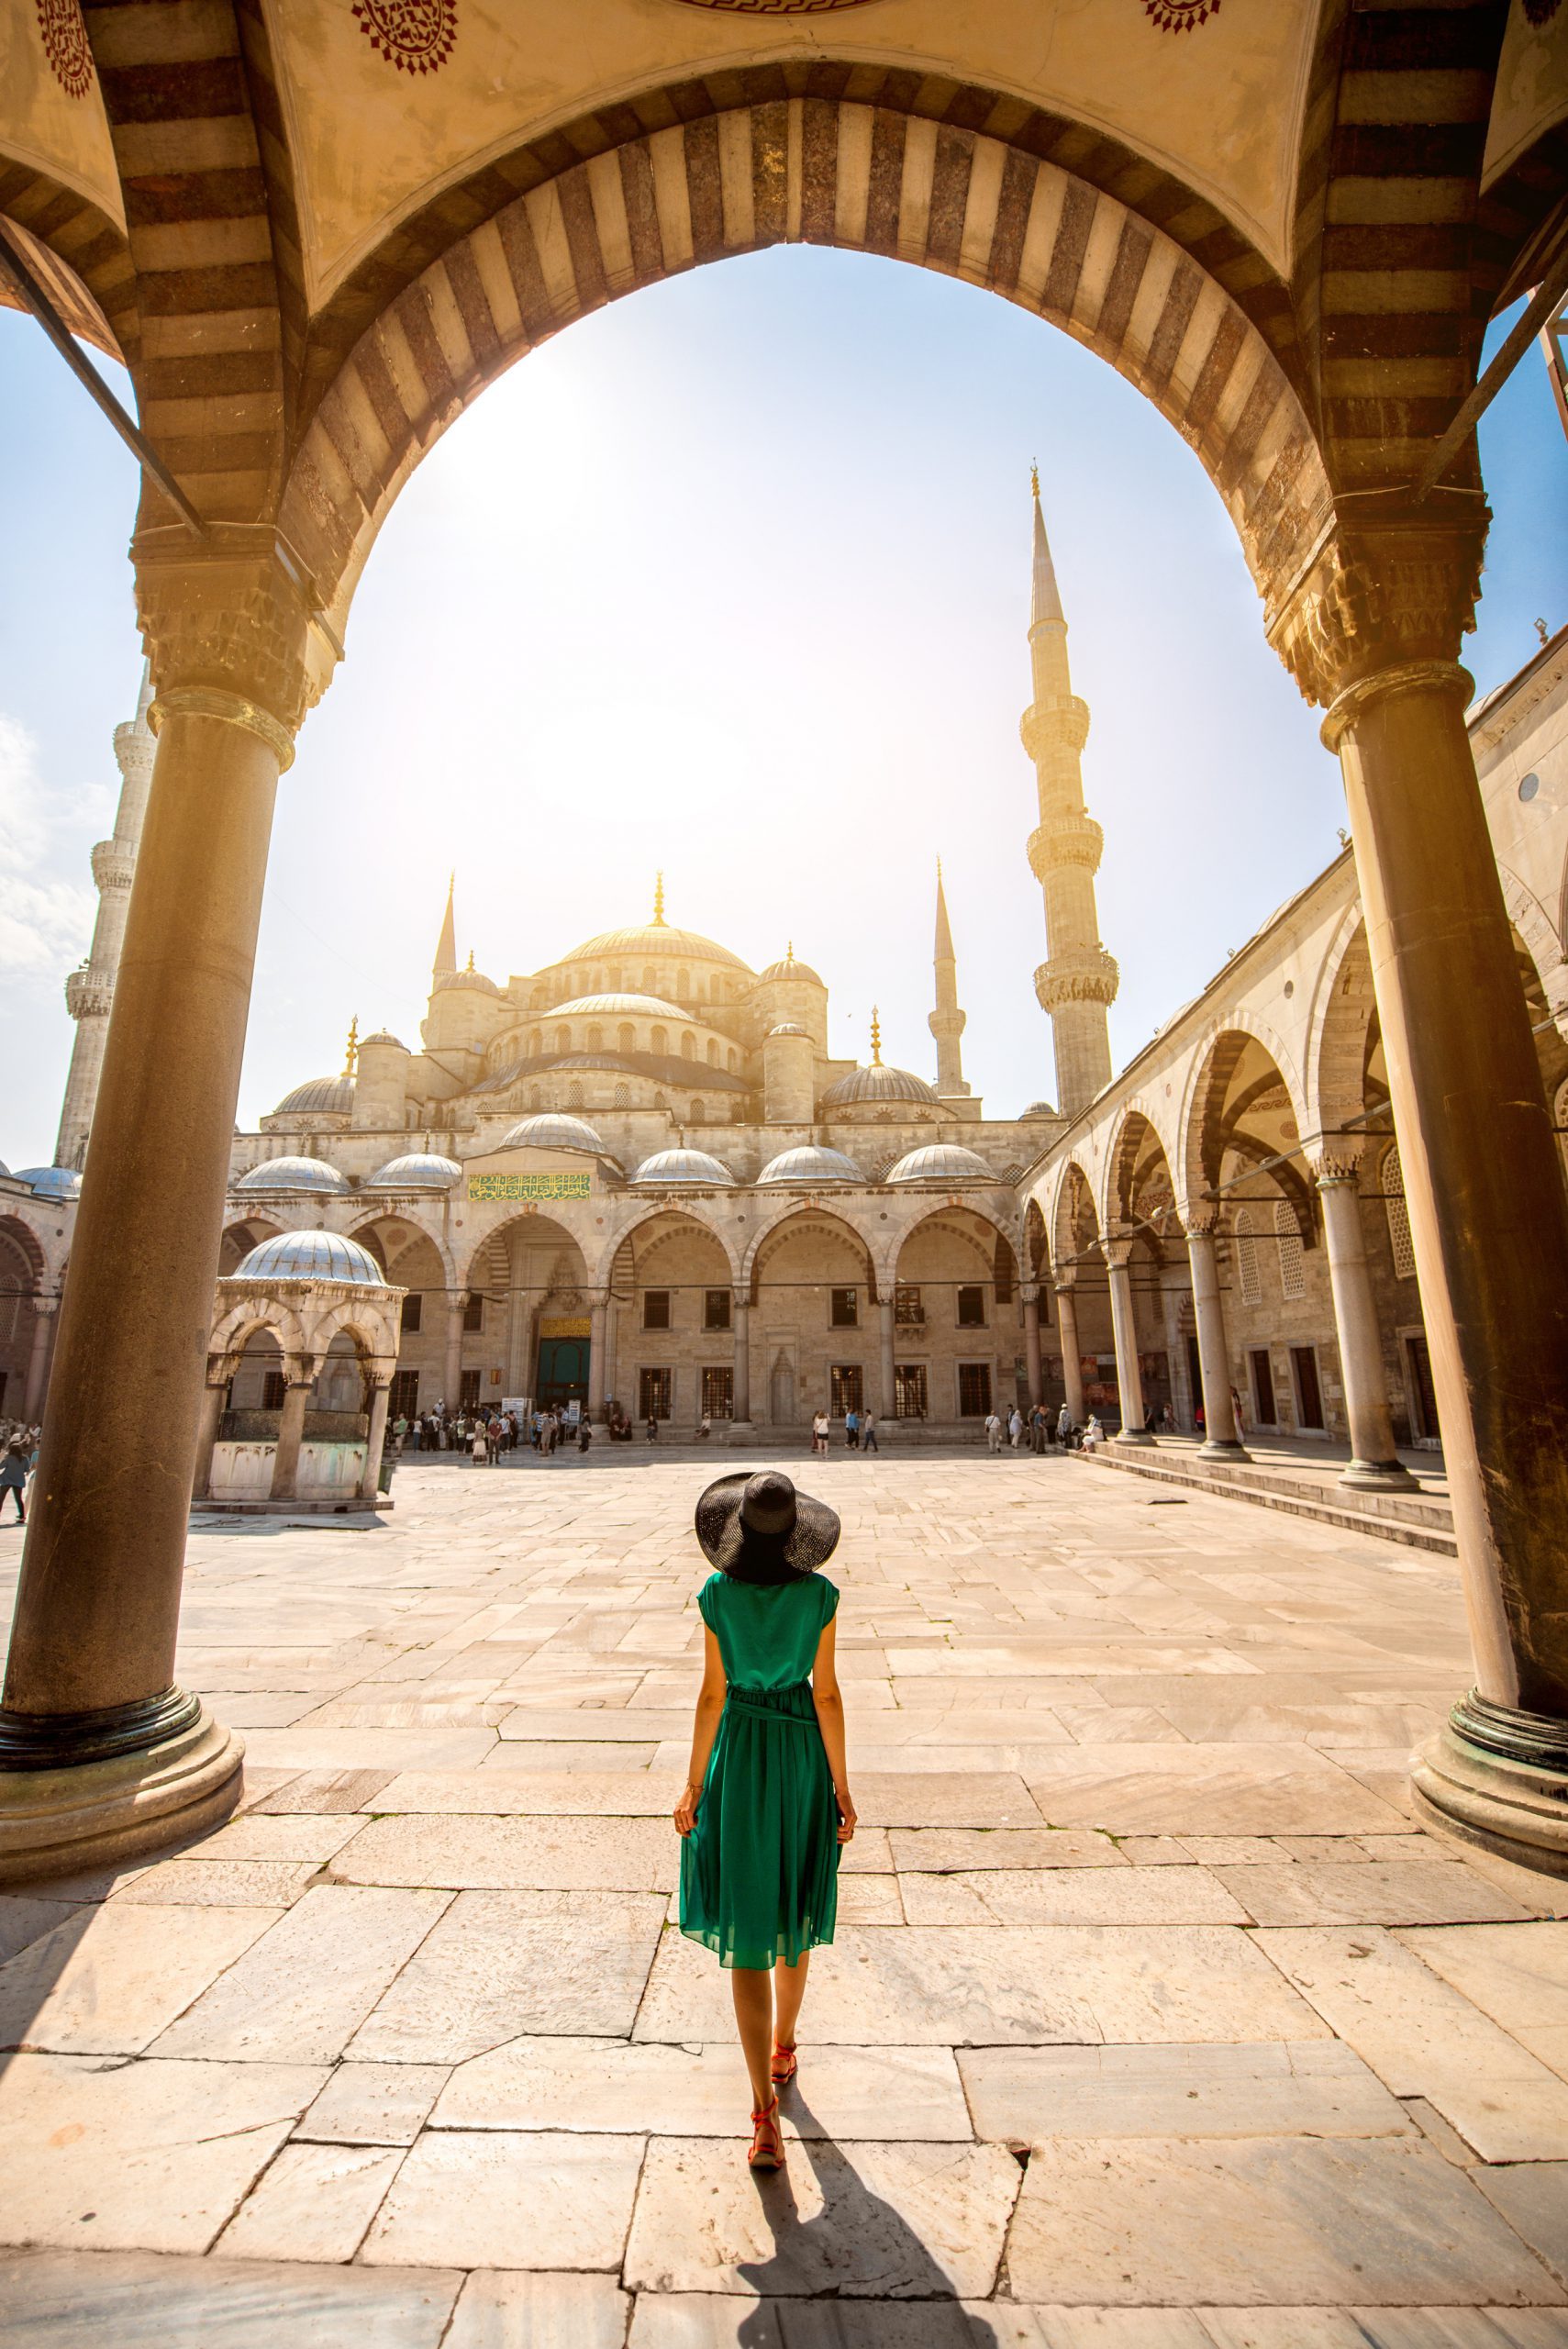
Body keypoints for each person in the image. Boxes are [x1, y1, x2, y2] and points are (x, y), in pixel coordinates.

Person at [674, 1470, 854, 2173]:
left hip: (740, 1757)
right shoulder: (819, 1596)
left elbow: (712, 1693)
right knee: (792, 1906)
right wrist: (841, 1787)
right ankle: (784, 2045)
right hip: (800, 1754)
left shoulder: (717, 1595)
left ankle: (761, 2115)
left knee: (746, 1927)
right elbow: (830, 1695)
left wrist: (692, 1785)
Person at [0, 1435, 28, 1523]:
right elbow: (26, 1469)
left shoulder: (9, 1458)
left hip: (7, 1480)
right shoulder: (24, 1458)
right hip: (18, 1481)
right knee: (18, 1499)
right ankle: (22, 1516)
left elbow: (1, 1467)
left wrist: (3, 1459)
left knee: (1, 1498)